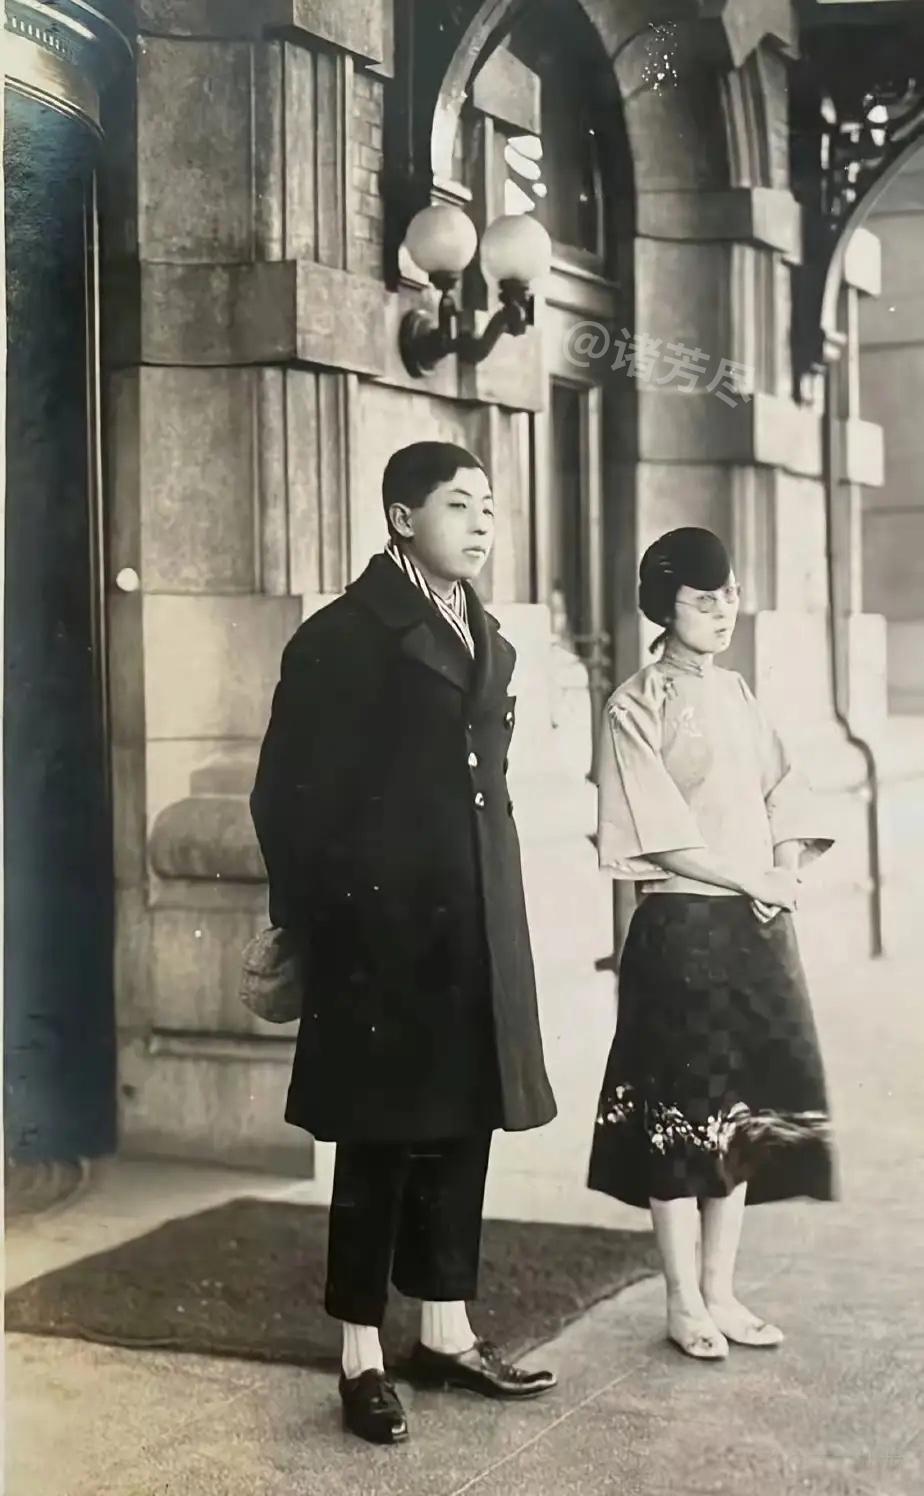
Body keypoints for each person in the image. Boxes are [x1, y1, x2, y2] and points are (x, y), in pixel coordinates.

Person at [250, 441, 558, 1444]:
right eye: (459, 504)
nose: (482, 522)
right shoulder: (344, 637)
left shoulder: (484, 632)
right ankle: (360, 1354)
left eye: (490, 506)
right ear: (400, 517)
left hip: (473, 925)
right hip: (378, 938)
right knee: (377, 1139)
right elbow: (286, 796)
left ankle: (444, 1331)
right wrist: (324, 924)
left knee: (463, 1121)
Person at [587, 527, 836, 1360]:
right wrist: (752, 878)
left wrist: (783, 871)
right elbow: (659, 835)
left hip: (757, 928)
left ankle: (722, 1290)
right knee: (679, 1120)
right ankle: (682, 1299)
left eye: (729, 594)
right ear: (665, 605)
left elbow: (785, 792)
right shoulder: (634, 705)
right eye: (704, 598)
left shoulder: (737, 693)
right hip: (682, 930)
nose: (724, 610)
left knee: (737, 1114)